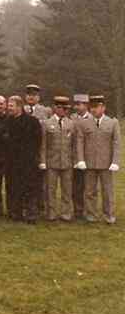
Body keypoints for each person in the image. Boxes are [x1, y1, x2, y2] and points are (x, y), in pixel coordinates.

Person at [76, 96, 121, 224]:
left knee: (108, 191)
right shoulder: (84, 123)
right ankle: (91, 215)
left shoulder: (112, 123)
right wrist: (80, 159)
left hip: (106, 164)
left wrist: (115, 162)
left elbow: (116, 143)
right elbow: (80, 142)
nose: (93, 110)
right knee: (90, 191)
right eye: (92, 107)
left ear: (103, 107)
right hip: (89, 163)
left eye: (96, 107)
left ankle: (109, 216)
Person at [39, 96, 80, 222]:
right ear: (54, 108)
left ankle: (66, 213)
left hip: (67, 162)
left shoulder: (71, 124)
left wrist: (75, 161)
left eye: (64, 108)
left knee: (67, 190)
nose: (62, 110)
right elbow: (43, 145)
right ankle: (51, 213)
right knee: (50, 189)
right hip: (52, 162)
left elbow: (74, 145)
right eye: (59, 107)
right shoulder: (47, 123)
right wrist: (42, 161)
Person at [6, 95, 42, 223]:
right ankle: (16, 213)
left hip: (28, 162)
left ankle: (31, 214)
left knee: (30, 189)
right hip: (12, 162)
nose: (8, 108)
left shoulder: (32, 121)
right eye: (8, 106)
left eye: (11, 106)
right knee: (14, 188)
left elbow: (38, 141)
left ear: (19, 106)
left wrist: (32, 156)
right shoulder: (8, 121)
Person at [70, 94, 92, 219]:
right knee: (75, 186)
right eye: (76, 104)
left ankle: (88, 210)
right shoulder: (72, 118)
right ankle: (77, 210)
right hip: (73, 157)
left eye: (79, 104)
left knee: (88, 186)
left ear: (86, 105)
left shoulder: (92, 118)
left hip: (88, 157)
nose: (76, 107)